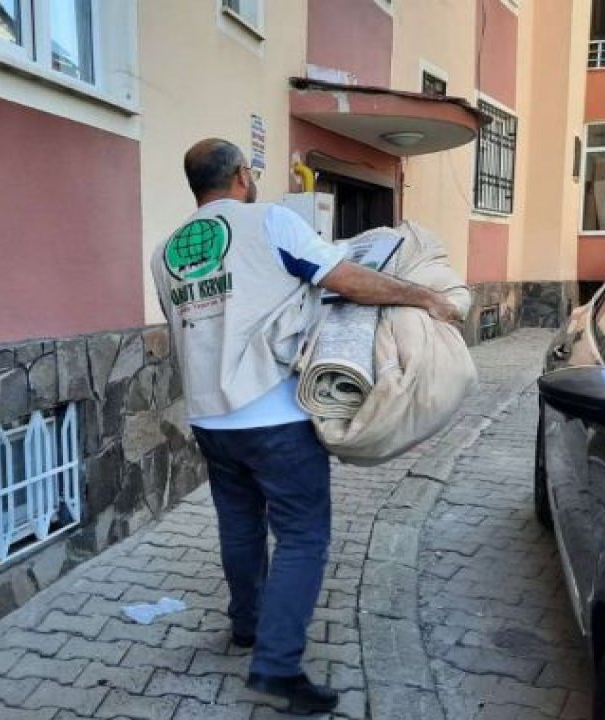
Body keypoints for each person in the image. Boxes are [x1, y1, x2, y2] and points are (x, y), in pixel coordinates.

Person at [151, 138, 461, 714]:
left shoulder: (164, 252)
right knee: (302, 536)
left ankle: (246, 627)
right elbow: (346, 279)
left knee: (239, 525)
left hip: (210, 417)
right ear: (243, 174)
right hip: (273, 414)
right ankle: (276, 666)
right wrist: (425, 298)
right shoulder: (269, 221)